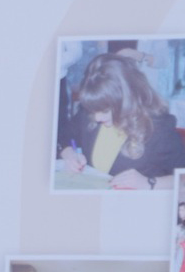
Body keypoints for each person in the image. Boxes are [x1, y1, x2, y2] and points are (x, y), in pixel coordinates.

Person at [59, 51, 185, 189]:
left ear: (127, 101)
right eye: (93, 110)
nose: (97, 118)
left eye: (105, 111)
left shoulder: (159, 129)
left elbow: (183, 177)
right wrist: (68, 153)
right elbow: (64, 136)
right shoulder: (91, 108)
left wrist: (149, 183)